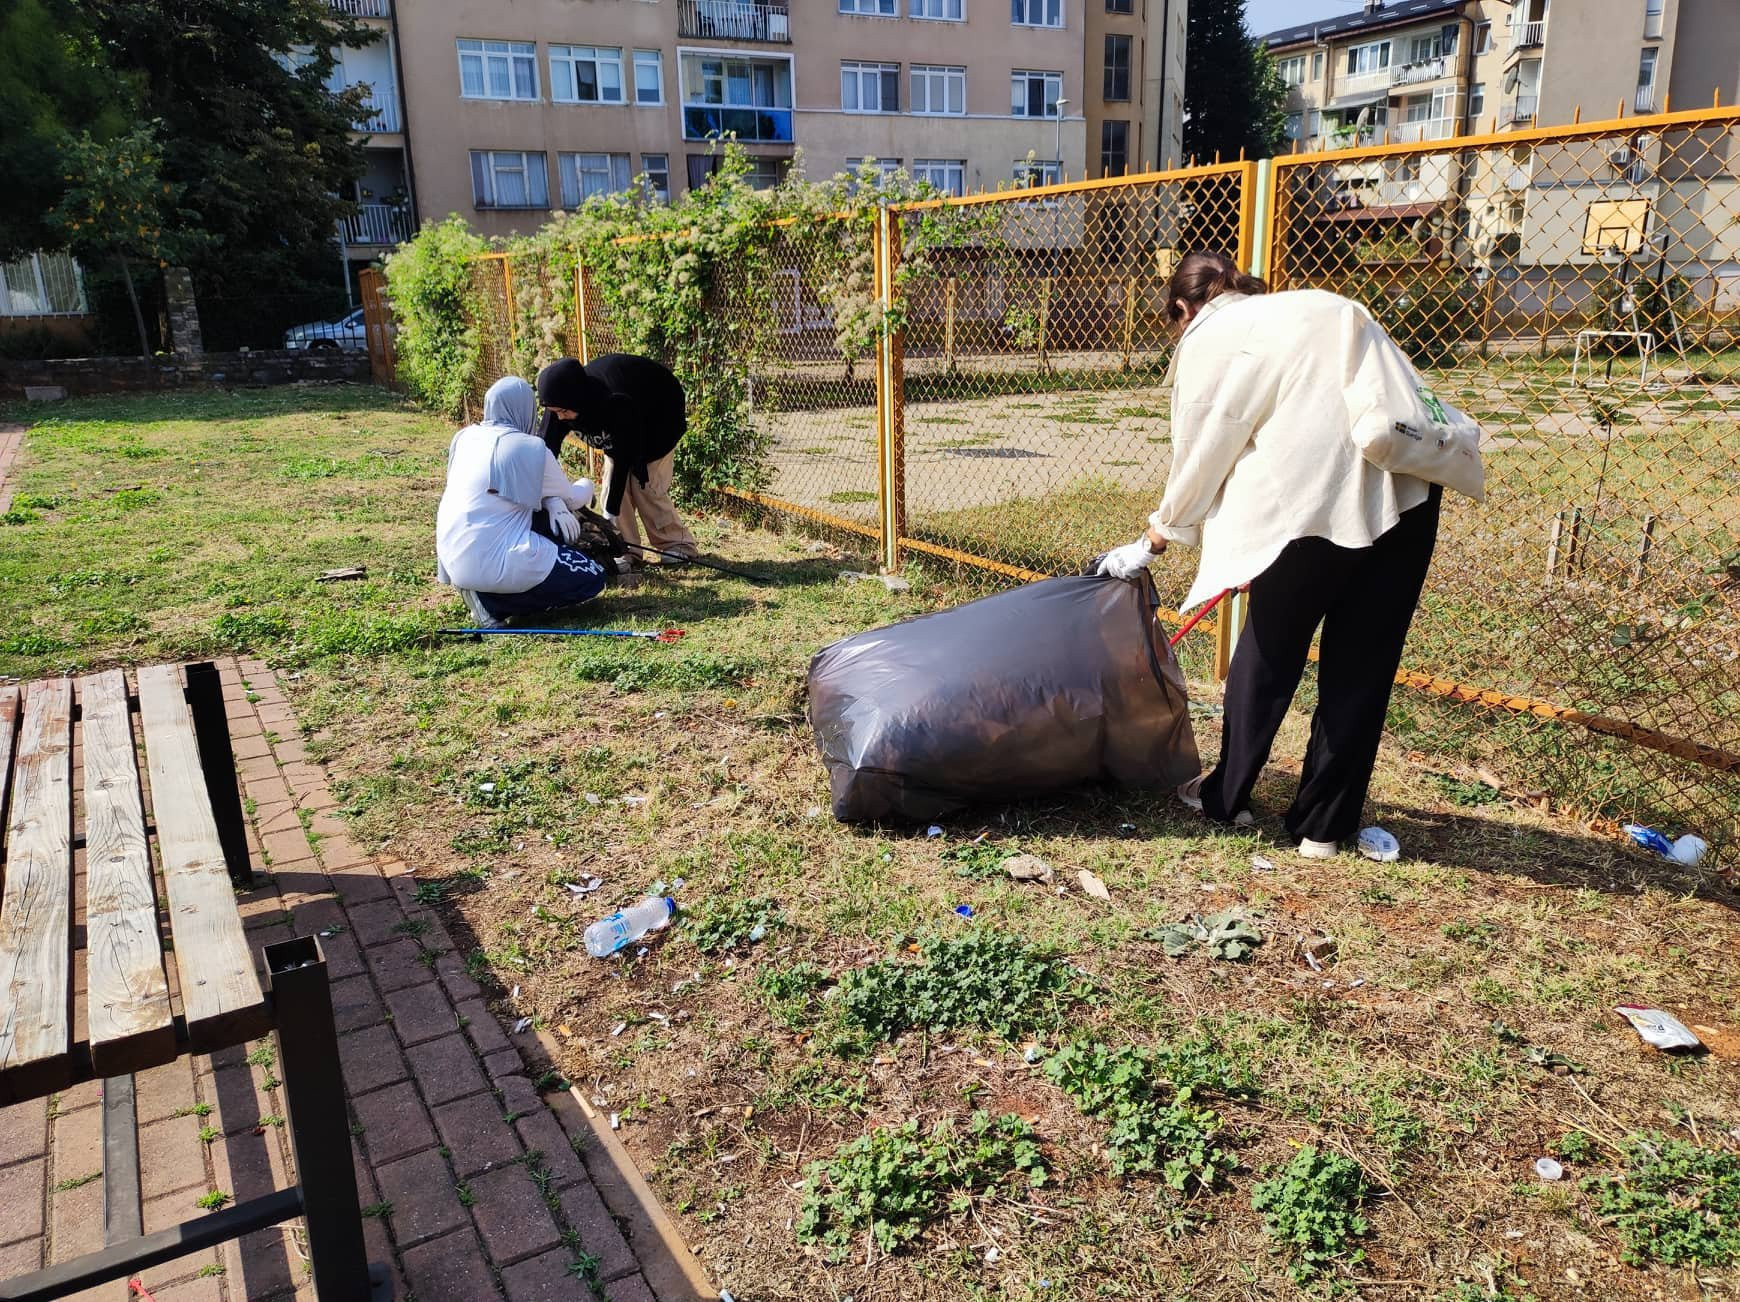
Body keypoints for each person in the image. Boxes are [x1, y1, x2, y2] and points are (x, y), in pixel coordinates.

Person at [1098, 250, 1448, 861]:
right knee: (1362, 668)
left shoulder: (1215, 335)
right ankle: (1323, 829)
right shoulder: (1324, 306)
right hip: (1409, 498)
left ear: (1183, 309)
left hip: (1312, 508)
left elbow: (1205, 448)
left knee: (1267, 653)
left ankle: (1225, 797)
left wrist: (1156, 537)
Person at [436, 375, 606, 628]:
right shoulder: (532, 448)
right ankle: (492, 602)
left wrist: (549, 500)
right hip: (500, 558)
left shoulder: (464, 438)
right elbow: (573, 498)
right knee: (593, 576)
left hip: (452, 556)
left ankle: (479, 590)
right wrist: (588, 483)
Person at [535, 354, 699, 564]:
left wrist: (609, 513)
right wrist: (548, 498)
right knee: (612, 491)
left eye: (563, 411)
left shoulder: (613, 402)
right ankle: (624, 548)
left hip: (659, 418)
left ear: (577, 399)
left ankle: (679, 545)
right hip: (622, 427)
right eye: (554, 412)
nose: (559, 417)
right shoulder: (559, 401)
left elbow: (622, 462)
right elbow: (544, 454)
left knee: (646, 487)